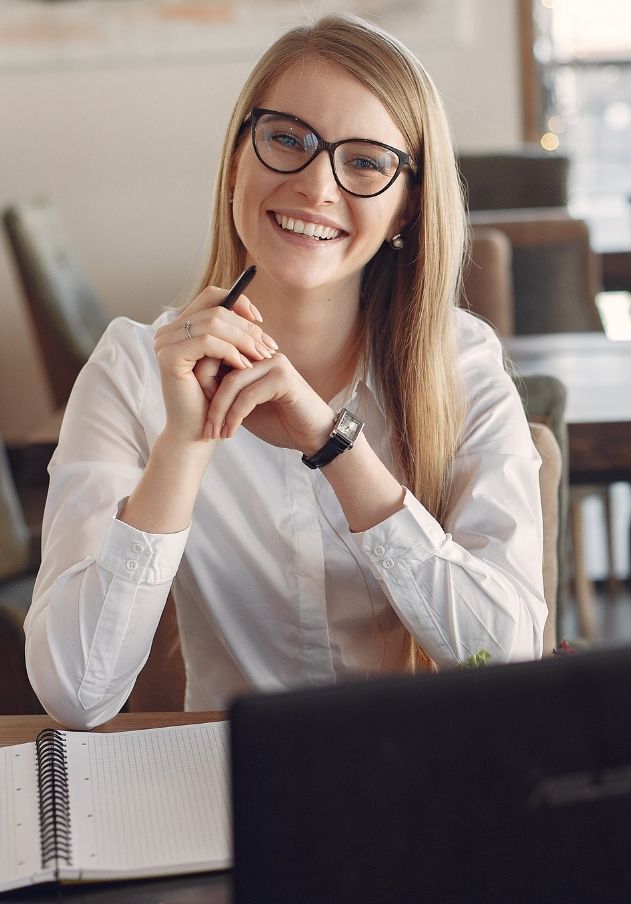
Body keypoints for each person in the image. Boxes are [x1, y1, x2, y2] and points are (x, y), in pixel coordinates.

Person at [25, 13, 547, 729]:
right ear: (237, 158)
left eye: (364, 162)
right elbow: (76, 695)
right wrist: (184, 445)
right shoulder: (132, 369)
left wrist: (335, 446)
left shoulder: (462, 365)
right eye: (286, 140)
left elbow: (506, 662)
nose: (315, 185)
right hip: (227, 791)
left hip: (425, 777)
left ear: (405, 209)